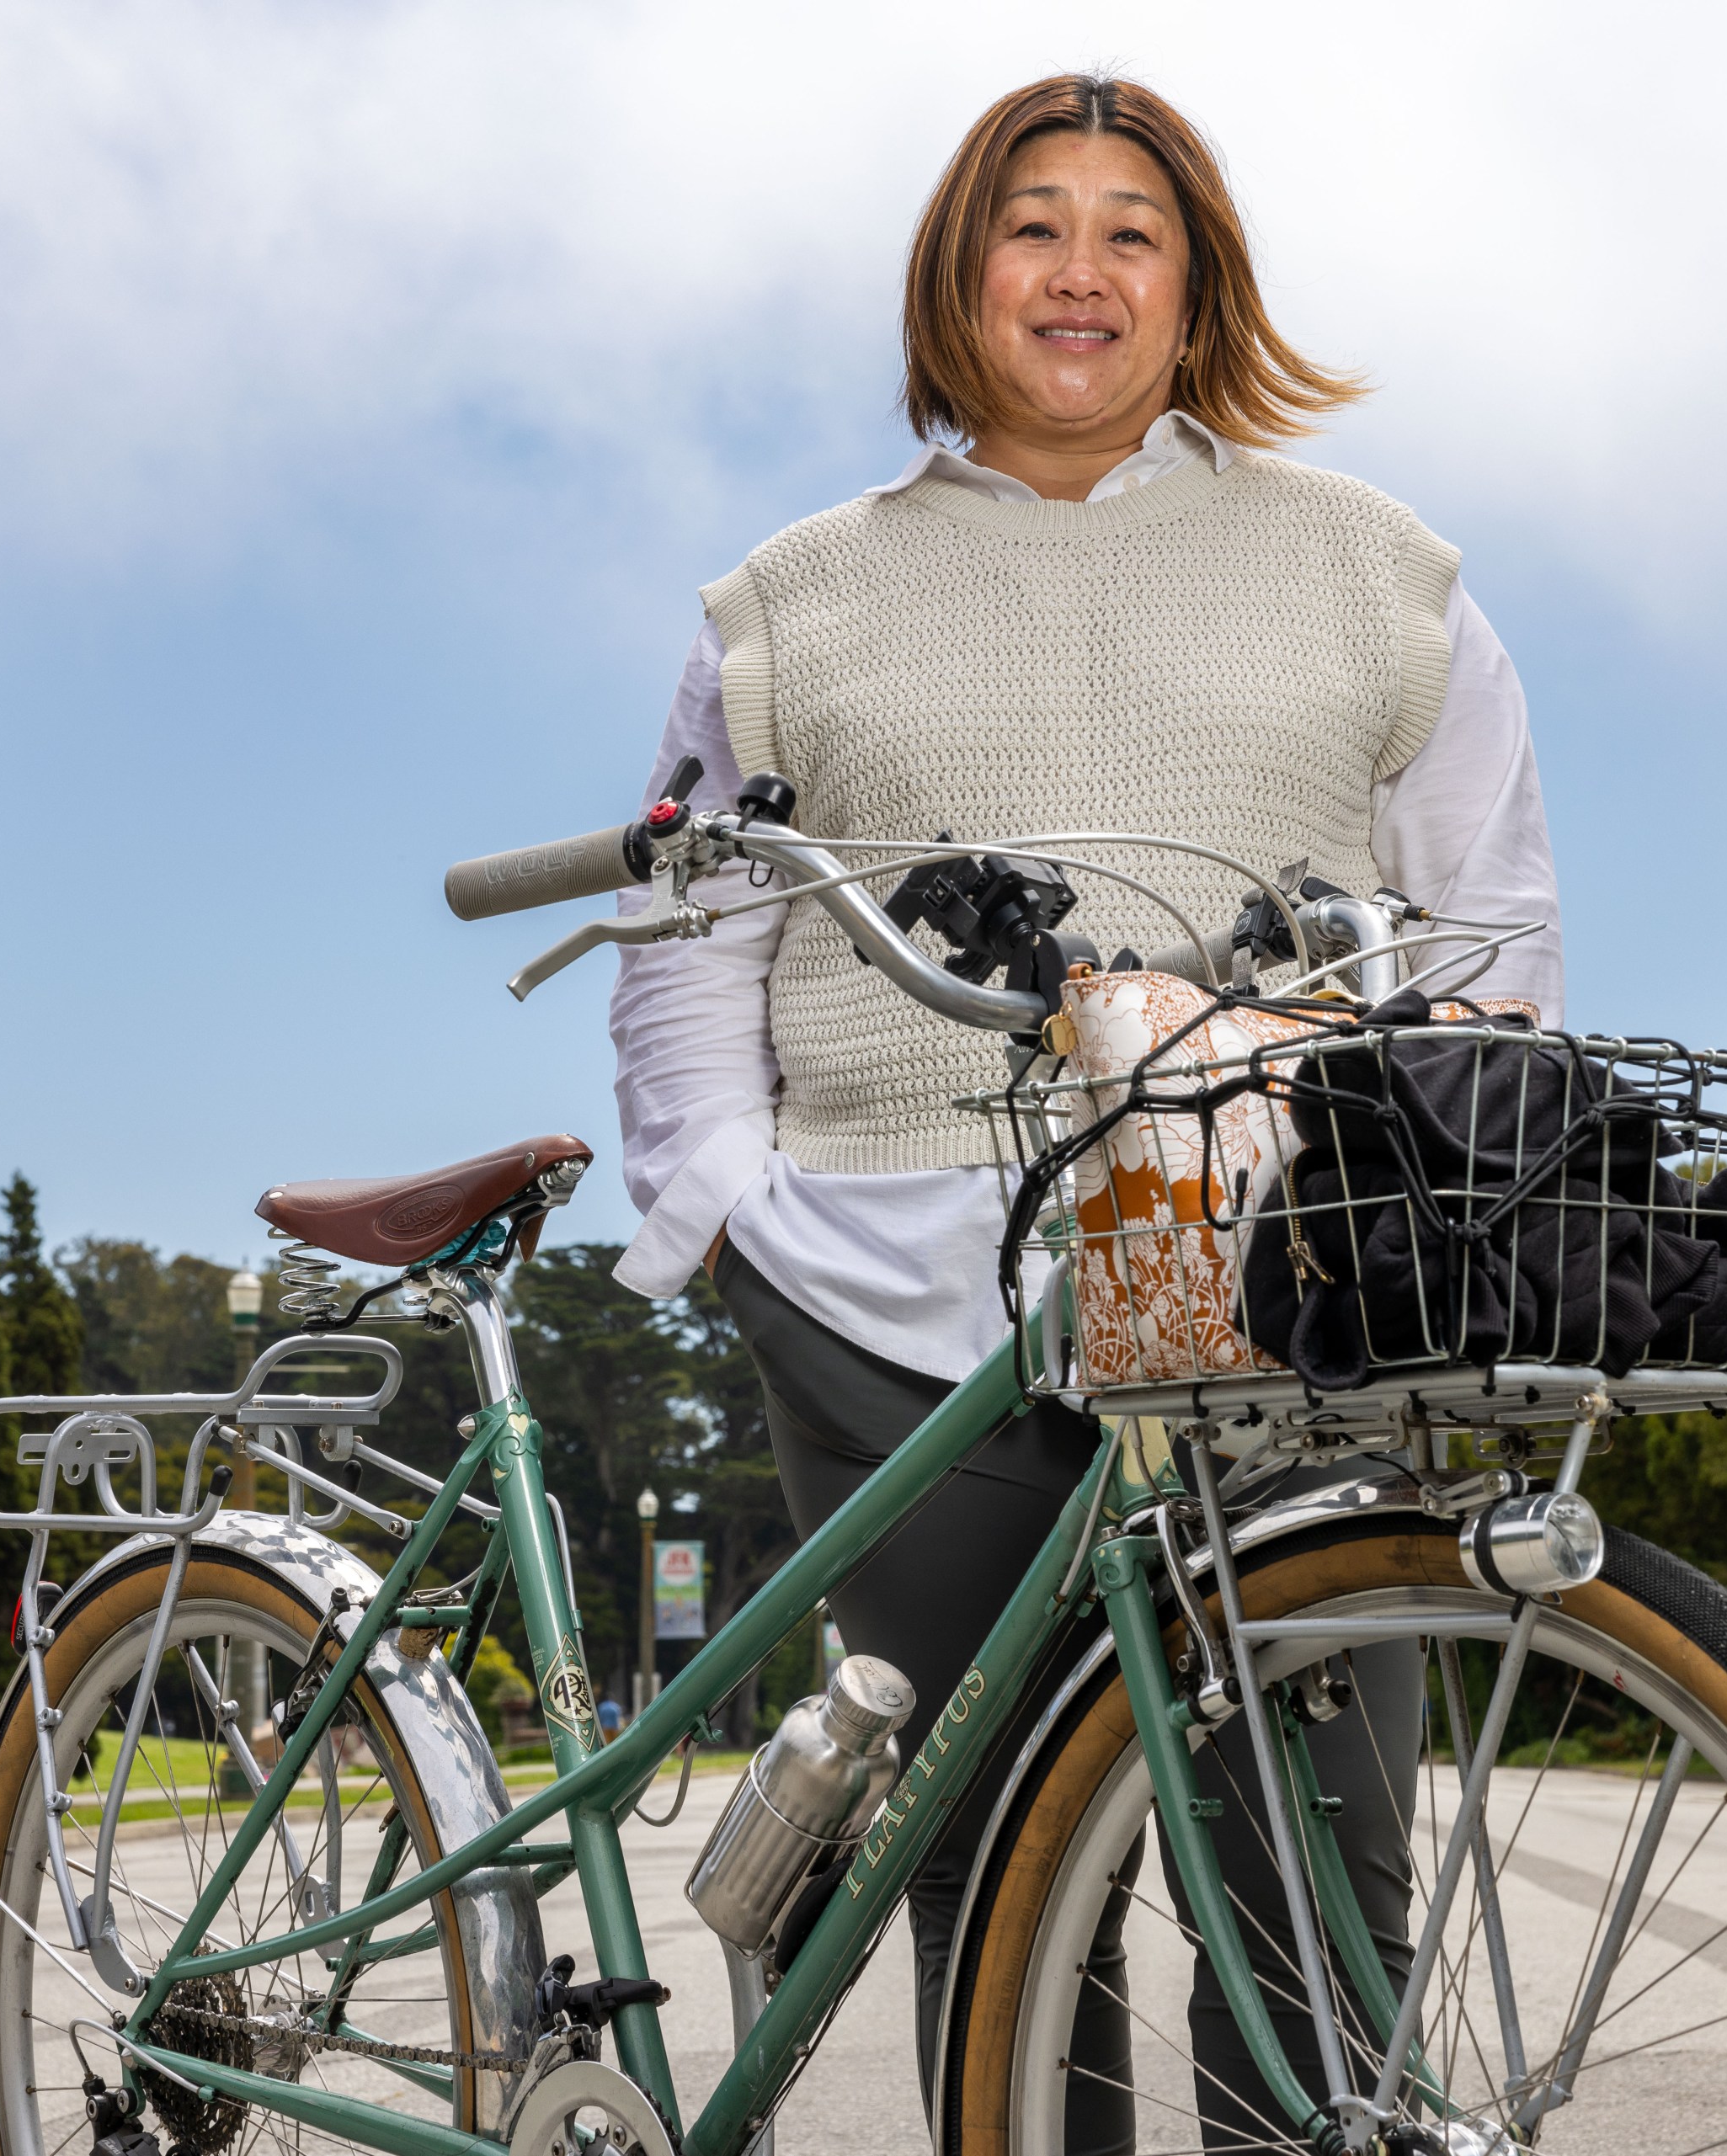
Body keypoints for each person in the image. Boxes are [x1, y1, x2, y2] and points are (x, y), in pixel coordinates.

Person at [607, 74, 1563, 2149]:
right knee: (999, 1884)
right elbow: (684, 935)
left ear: (1197, 282)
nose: (1081, 271)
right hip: (885, 1296)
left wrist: (1431, 1196)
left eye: (1134, 230)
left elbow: (1491, 922)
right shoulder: (785, 608)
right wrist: (730, 1212)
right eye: (1034, 225)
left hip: (1286, 1291)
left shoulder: (1377, 575)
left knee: (1321, 1881)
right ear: (959, 277)